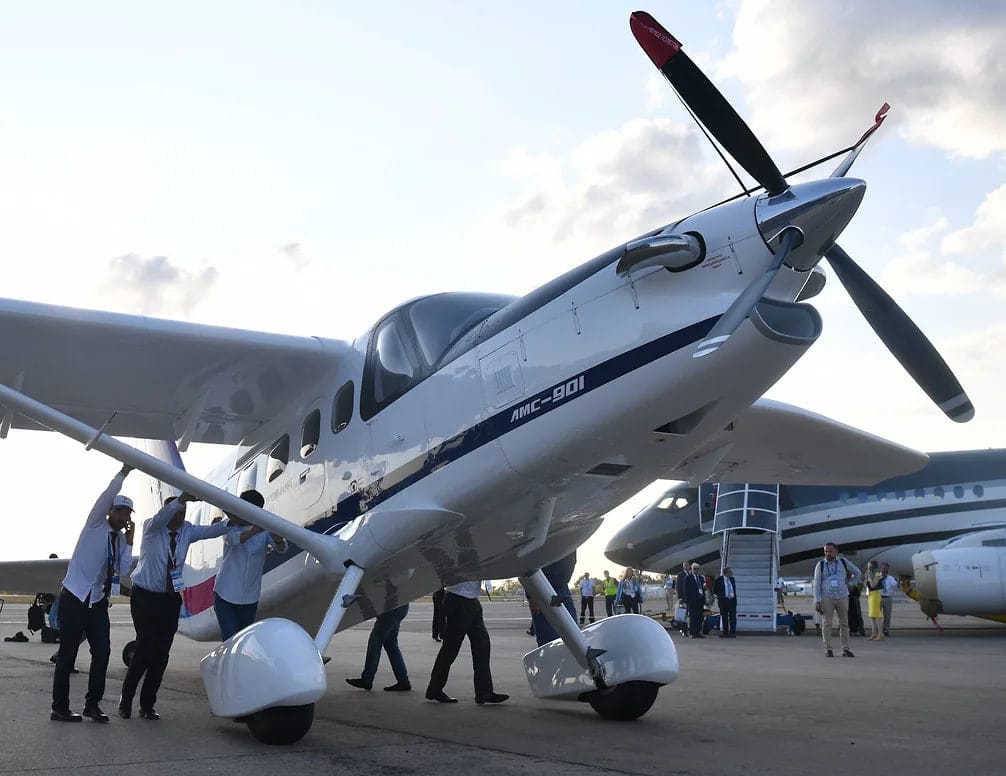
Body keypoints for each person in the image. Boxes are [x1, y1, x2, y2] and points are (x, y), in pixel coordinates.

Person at [118, 493, 229, 720]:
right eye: (176, 512)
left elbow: (212, 531)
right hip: (145, 597)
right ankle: (125, 700)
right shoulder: (152, 527)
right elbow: (163, 517)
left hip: (169, 599)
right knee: (144, 648)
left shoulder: (187, 530)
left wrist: (235, 521)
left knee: (161, 654)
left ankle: (147, 705)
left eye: (182, 513)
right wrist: (181, 499)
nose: (179, 517)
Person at [50, 465, 136, 723]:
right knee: (67, 654)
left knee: (103, 652)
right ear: (110, 512)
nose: (122, 517)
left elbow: (121, 569)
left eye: (127, 514)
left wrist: (130, 542)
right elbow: (107, 495)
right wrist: (123, 472)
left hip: (97, 601)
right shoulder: (95, 525)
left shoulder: (119, 541)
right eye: (119, 511)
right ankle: (59, 707)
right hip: (74, 597)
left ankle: (92, 705)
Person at [213, 490, 287, 640]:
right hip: (225, 595)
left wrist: (278, 539)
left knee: (245, 640)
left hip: (250, 597)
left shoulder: (265, 529)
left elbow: (282, 549)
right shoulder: (229, 525)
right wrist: (254, 531)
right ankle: (229, 663)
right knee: (231, 639)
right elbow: (233, 540)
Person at [425, 580, 507, 705]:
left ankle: (484, 692)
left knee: (482, 645)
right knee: (450, 649)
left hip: (471, 600)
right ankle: (434, 689)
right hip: (458, 600)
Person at [346, 604, 412, 692]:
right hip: (399, 607)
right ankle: (403, 680)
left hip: (391, 608)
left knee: (375, 641)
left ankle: (367, 679)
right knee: (391, 645)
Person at [813, 542, 861, 657]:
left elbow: (857, 572)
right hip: (827, 597)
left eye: (830, 551)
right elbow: (817, 584)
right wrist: (818, 600)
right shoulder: (821, 565)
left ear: (836, 551)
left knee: (844, 624)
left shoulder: (843, 562)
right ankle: (828, 649)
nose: (827, 554)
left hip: (842, 596)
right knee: (826, 623)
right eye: (825, 551)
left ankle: (846, 649)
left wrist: (850, 584)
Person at [713, 567, 738, 638]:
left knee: (733, 617)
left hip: (732, 600)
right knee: (724, 617)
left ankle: (732, 632)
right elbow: (715, 590)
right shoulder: (719, 580)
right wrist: (720, 596)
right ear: (726, 573)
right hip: (724, 601)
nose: (731, 574)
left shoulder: (732, 579)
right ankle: (725, 632)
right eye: (730, 572)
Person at [684, 562, 706, 638]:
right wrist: (687, 600)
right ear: (691, 569)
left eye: (697, 569)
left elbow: (702, 587)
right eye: (694, 568)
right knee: (693, 617)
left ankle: (698, 632)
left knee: (700, 617)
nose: (696, 570)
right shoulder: (688, 578)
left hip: (700, 600)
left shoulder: (701, 578)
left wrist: (705, 586)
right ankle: (693, 633)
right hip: (692, 600)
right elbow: (686, 590)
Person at [865, 560, 884, 640]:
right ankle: (874, 633)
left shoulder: (877, 573)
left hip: (876, 594)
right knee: (872, 616)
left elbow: (873, 585)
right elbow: (866, 585)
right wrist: (866, 579)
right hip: (871, 595)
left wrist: (869, 576)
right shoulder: (869, 573)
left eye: (870, 566)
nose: (869, 568)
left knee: (878, 615)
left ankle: (880, 634)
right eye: (868, 566)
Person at [880, 563, 898, 636]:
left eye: (885, 568)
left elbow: (894, 584)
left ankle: (886, 630)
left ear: (887, 569)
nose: (883, 570)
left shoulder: (890, 578)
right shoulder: (877, 576)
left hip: (887, 598)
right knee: (878, 615)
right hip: (879, 597)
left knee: (887, 615)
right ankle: (878, 630)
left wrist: (887, 578)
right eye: (882, 568)